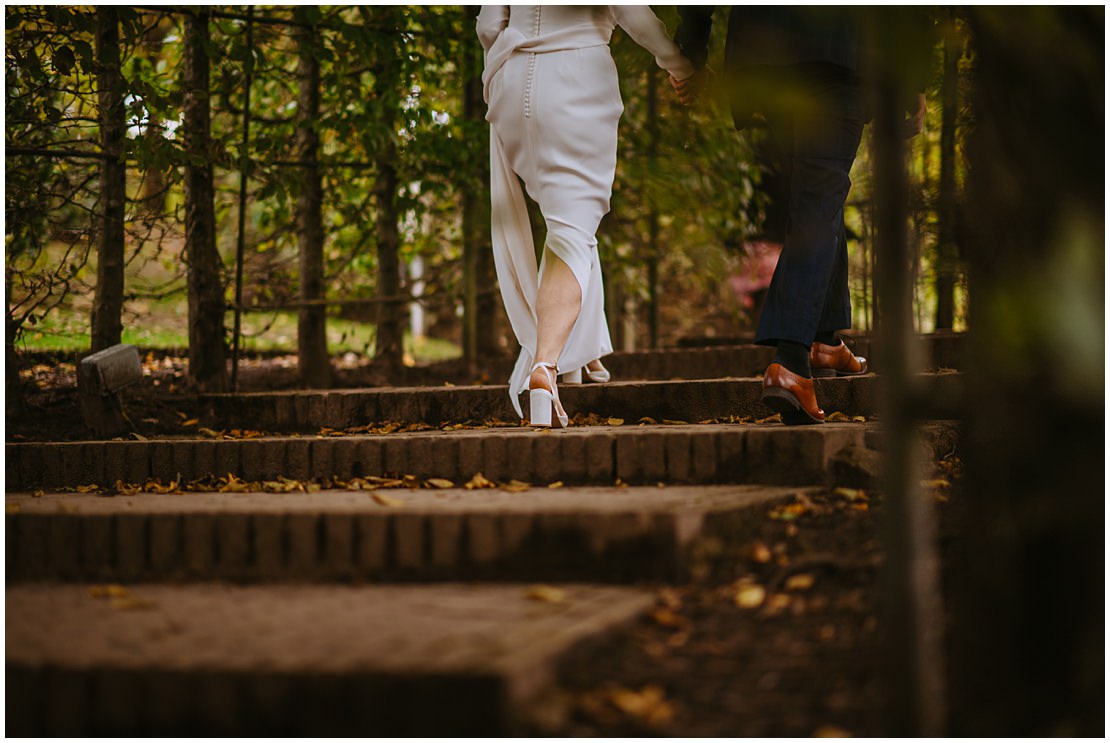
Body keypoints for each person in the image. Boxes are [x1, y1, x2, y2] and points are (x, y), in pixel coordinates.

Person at [673, 8, 926, 425]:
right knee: (818, 194)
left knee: (816, 195)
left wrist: (692, 53)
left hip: (763, 56)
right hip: (840, 53)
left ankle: (825, 338)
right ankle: (790, 362)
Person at [477, 6, 693, 427]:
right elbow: (631, 12)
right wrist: (680, 66)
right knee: (571, 229)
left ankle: (581, 353)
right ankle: (545, 367)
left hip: (511, 77)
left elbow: (488, 24)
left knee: (566, 222)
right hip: (575, 79)